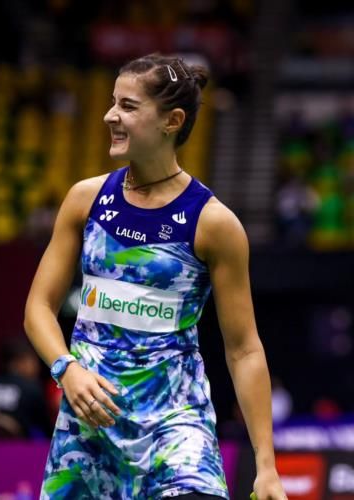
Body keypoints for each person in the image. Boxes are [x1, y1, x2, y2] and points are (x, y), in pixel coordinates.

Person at [24, 53, 286, 499]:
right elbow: (38, 308)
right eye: (112, 102)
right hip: (89, 430)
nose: (110, 115)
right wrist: (66, 369)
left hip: (175, 428)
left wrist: (266, 467)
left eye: (127, 105)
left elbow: (244, 349)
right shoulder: (85, 200)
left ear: (172, 120)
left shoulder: (213, 223)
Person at [0, 336, 53, 438]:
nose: (36, 366)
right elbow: (46, 428)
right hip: (13, 450)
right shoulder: (31, 388)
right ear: (17, 363)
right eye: (32, 361)